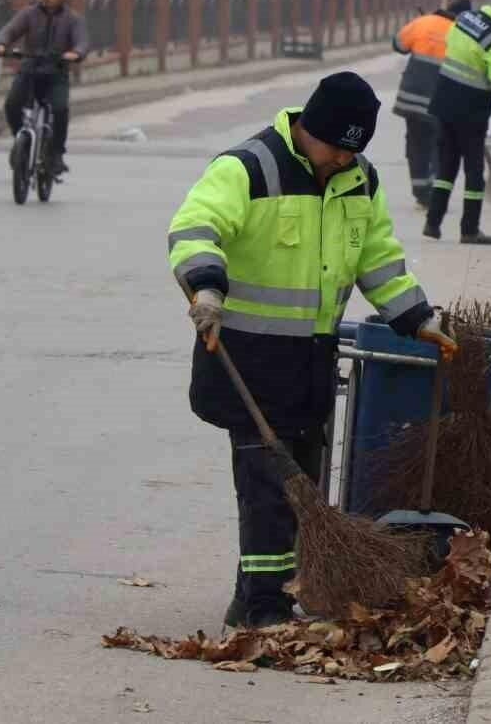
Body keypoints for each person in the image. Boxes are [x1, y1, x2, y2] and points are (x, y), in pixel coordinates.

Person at [168, 71, 457, 630]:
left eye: (355, 150)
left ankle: (253, 591)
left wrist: (418, 318)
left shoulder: (359, 178)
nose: (344, 160)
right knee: (268, 487)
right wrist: (205, 287)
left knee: (302, 482)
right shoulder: (248, 168)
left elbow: (376, 256)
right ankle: (265, 607)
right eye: (336, 147)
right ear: (307, 127)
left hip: (310, 359)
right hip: (246, 356)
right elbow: (194, 226)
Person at [424, 0, 491, 245]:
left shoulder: (465, 18)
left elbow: (454, 48)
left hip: (444, 102)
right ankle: (469, 230)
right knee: (474, 174)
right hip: (471, 111)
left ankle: (432, 224)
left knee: (446, 168)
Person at [0, 0, 86, 174]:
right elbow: (10, 29)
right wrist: (1, 43)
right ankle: (21, 142)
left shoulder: (73, 19)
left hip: (56, 74)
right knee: (11, 105)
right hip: (29, 70)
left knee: (60, 109)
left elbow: (82, 42)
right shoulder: (28, 14)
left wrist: (75, 53)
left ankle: (57, 154)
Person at [391, 0, 469, 208]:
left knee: (416, 144)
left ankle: (420, 191)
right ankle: (434, 190)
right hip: (440, 104)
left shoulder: (422, 23)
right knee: (440, 145)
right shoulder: (461, 35)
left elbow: (398, 44)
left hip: (411, 100)